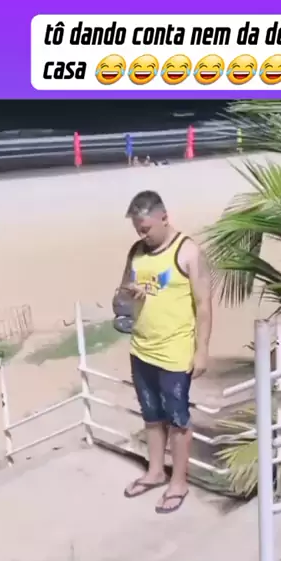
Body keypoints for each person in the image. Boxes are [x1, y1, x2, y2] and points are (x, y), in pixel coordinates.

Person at [113, 190, 212, 514]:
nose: (142, 236)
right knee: (151, 415)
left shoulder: (188, 252)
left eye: (146, 229)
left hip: (175, 352)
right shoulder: (136, 252)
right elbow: (121, 295)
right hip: (141, 348)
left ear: (164, 218)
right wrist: (129, 293)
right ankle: (155, 471)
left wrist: (201, 351)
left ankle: (179, 482)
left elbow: (204, 305)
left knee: (178, 419)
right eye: (137, 230)